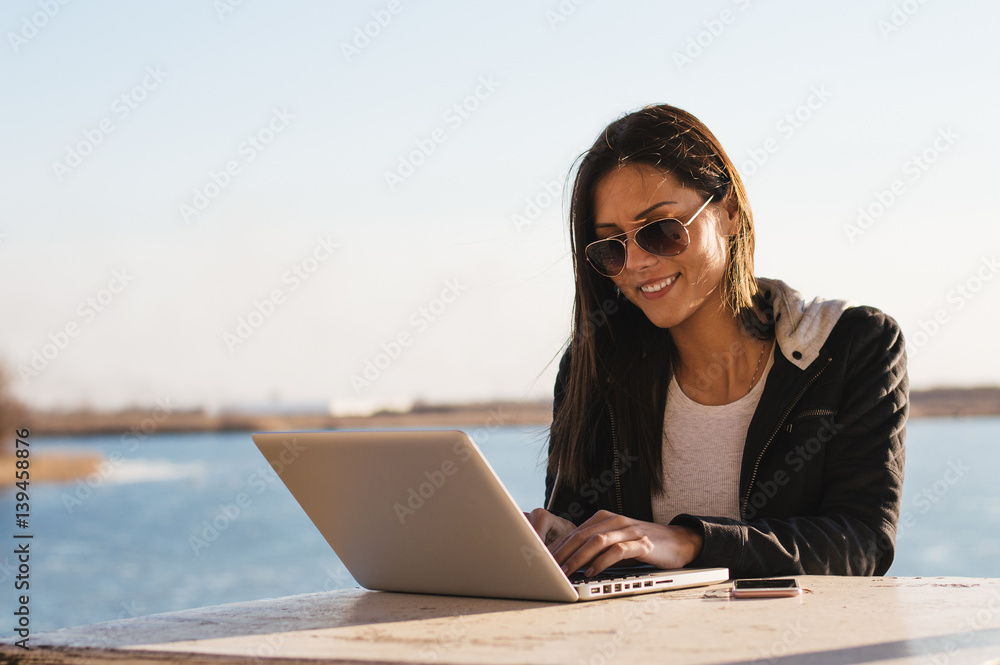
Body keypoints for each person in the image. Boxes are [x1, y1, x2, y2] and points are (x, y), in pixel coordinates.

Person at [526, 104, 907, 579]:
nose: (638, 262)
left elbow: (861, 544)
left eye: (661, 231)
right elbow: (585, 541)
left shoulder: (852, 346)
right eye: (612, 246)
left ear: (727, 211)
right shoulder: (595, 368)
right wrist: (560, 539)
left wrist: (692, 542)